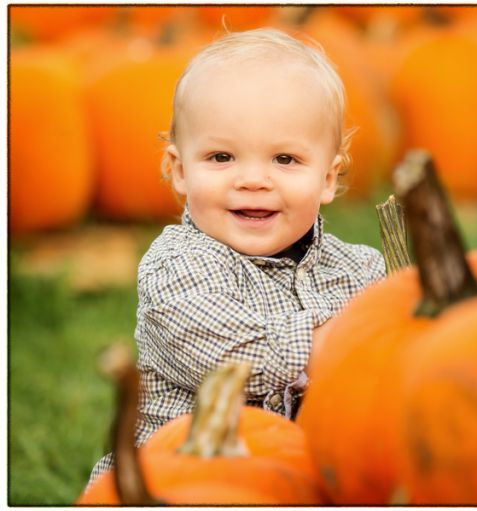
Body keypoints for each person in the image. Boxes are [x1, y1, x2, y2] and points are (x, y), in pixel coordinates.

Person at [85, 27, 386, 487]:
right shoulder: (177, 268)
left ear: (328, 178)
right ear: (180, 170)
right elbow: (232, 357)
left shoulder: (361, 271)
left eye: (284, 160)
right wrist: (347, 339)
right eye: (222, 157)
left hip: (300, 480)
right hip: (184, 482)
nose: (252, 180)